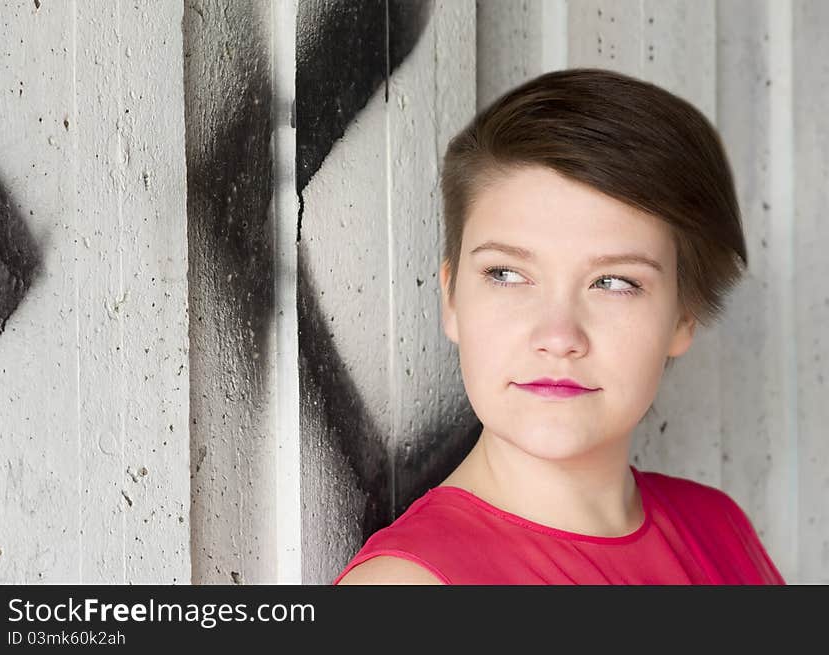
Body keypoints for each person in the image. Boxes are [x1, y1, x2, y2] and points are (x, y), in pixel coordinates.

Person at [334, 67, 785, 585]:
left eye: (614, 282)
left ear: (684, 315)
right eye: (507, 275)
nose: (558, 336)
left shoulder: (718, 526)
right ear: (452, 298)